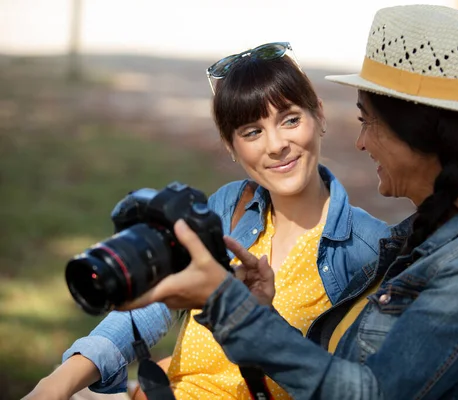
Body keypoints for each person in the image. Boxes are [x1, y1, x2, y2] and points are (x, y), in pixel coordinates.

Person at [108, 5, 458, 400]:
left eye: (367, 121)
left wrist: (227, 305)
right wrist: (262, 315)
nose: (359, 142)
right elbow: (338, 370)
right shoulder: (422, 240)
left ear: (421, 135)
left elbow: (369, 394)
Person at [23, 42, 390, 400]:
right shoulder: (229, 206)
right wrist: (58, 382)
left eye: (290, 119)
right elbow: (153, 305)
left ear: (319, 115)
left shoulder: (369, 250)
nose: (276, 144)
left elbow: (353, 385)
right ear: (231, 146)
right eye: (252, 132)